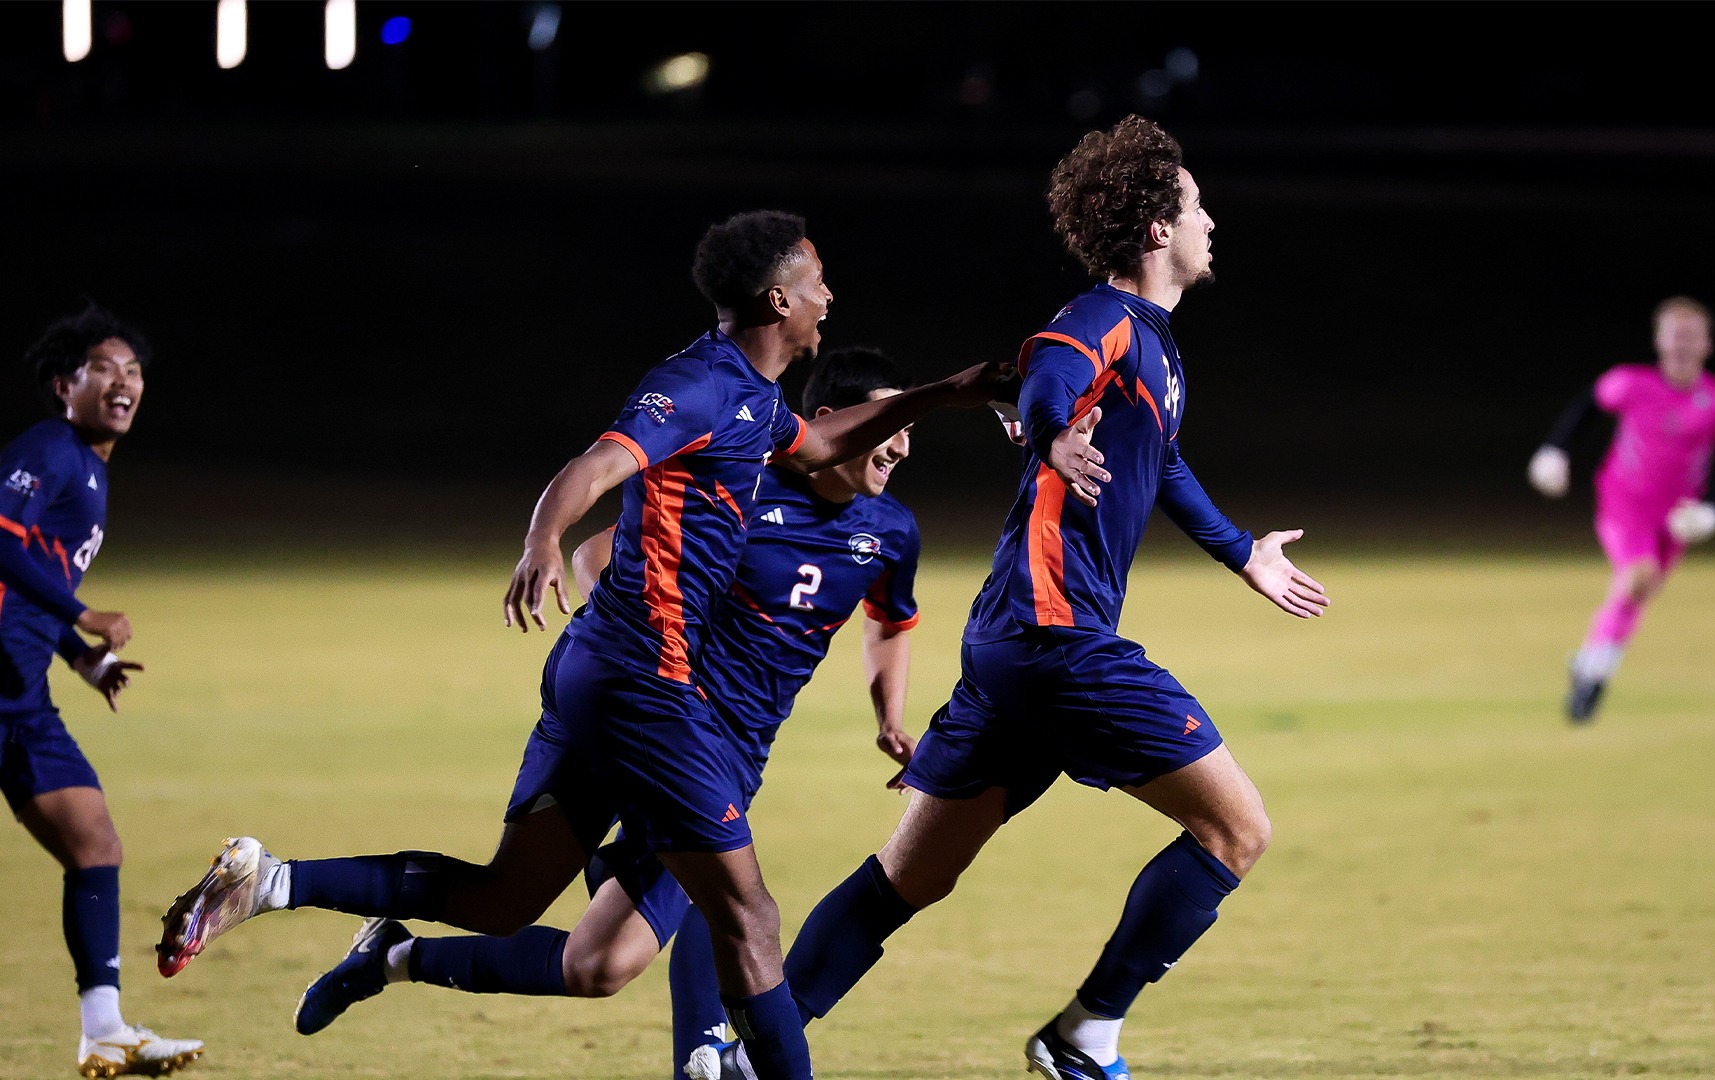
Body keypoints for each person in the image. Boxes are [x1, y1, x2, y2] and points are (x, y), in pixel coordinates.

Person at [155, 211, 1006, 1080]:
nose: (830, 295)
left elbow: (820, 442)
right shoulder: (701, 383)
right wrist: (545, 539)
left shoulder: (757, 404)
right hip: (649, 688)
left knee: (509, 902)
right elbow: (599, 464)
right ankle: (720, 1059)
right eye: (818, 279)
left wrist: (949, 391)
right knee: (748, 918)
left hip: (609, 680)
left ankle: (271, 882)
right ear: (778, 297)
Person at [693, 115, 1331, 1080]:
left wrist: (1244, 554)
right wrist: (1047, 434)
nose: (1212, 221)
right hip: (1054, 635)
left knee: (907, 880)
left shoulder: (1158, 352)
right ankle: (1086, 1033)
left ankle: (747, 1062)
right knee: (1237, 829)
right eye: (1198, 205)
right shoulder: (1102, 319)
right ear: (1157, 229)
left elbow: (1162, 464)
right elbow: (1049, 367)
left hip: (1011, 647)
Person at [282, 346, 927, 1078]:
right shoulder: (739, 487)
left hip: (737, 748)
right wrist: (632, 645)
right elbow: (599, 551)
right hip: (663, 725)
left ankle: (393, 957)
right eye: (887, 421)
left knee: (600, 964)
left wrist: (889, 716)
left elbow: (891, 620)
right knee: (733, 910)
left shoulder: (892, 531)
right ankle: (704, 1058)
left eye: (908, 424)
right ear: (830, 423)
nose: (901, 440)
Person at [2, 303, 205, 1079]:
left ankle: (104, 1030)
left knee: (96, 843)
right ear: (65, 385)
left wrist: (76, 656)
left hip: (20, 692)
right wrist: (83, 613)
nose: (124, 382)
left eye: (134, 370)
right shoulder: (49, 450)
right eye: (105, 369)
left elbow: (28, 581)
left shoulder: (89, 466)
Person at [1526, 295, 1715, 723]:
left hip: (1677, 517)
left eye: (1692, 337)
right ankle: (1594, 680)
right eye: (1674, 335)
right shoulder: (1631, 383)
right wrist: (1554, 451)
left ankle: (1590, 663)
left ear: (1707, 344)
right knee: (1638, 576)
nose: (1682, 345)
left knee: (1639, 592)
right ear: (1659, 341)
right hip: (1624, 504)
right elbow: (1586, 408)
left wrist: (1713, 511)